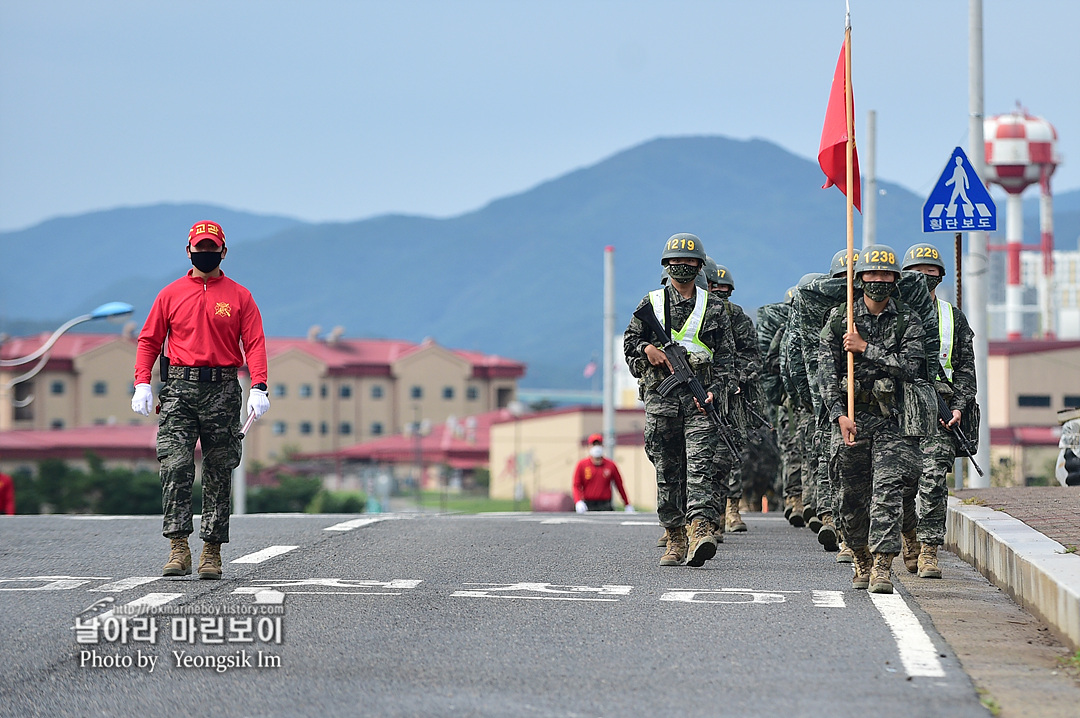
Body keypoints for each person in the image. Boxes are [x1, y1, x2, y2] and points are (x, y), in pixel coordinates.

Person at [132, 220, 270, 580]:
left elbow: (253, 343)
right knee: (175, 465)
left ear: (223, 252)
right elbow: (149, 340)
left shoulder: (240, 296)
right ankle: (178, 547)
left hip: (222, 389)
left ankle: (211, 551)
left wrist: (260, 386)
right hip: (178, 389)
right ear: (189, 250)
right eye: (200, 248)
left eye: (212, 248)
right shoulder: (170, 294)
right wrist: (142, 384)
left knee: (218, 469)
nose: (205, 254)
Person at [818, 245, 926, 594]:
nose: (878, 281)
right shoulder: (839, 320)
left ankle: (882, 565)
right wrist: (839, 416)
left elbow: (912, 368)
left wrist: (866, 349)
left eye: (885, 275)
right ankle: (861, 557)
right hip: (853, 419)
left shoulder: (908, 320)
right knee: (848, 498)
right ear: (860, 278)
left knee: (888, 493)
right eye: (871, 275)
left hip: (893, 421)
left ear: (895, 280)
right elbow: (825, 374)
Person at [624, 233, 735, 567]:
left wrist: (717, 391)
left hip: (700, 402)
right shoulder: (652, 304)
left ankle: (700, 530)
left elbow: (728, 361)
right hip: (662, 401)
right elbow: (630, 343)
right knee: (668, 471)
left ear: (699, 266)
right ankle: (674, 537)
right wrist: (648, 350)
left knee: (700, 467)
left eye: (688, 262)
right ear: (666, 266)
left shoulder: (714, 307)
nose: (681, 267)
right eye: (675, 262)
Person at [902, 242, 976, 578]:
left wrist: (958, 407)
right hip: (900, 411)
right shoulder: (894, 314)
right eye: (916, 272)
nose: (924, 277)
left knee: (933, 479)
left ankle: (929, 550)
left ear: (940, 276)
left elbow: (965, 370)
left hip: (940, 412)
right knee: (901, 483)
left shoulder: (952, 317)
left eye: (930, 272)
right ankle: (909, 537)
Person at [704, 258, 762, 534]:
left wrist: (736, 380)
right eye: (714, 287)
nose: (719, 293)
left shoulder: (738, 317)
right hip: (700, 393)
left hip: (733, 398)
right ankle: (701, 518)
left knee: (730, 452)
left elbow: (753, 357)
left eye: (723, 289)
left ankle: (731, 509)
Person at [572, 434, 633, 513]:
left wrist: (627, 504)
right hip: (589, 505)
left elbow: (619, 485)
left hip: (605, 505)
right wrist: (578, 501)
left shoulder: (611, 465)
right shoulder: (582, 465)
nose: (596, 447)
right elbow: (576, 485)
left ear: (602, 446)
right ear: (589, 446)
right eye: (594, 444)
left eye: (599, 444)